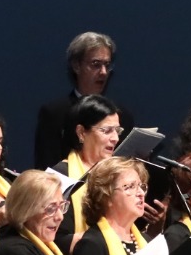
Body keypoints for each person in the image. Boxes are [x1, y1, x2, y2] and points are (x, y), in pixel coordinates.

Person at [33, 32, 133, 168]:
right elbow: (45, 165)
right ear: (76, 66)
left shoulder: (122, 115)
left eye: (107, 65)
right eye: (96, 64)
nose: (103, 72)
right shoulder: (55, 113)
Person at [49, 94, 123, 244]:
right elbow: (56, 238)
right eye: (107, 131)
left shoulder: (119, 173)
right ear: (81, 133)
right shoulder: (59, 177)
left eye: (117, 130)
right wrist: (101, 241)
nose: (115, 138)